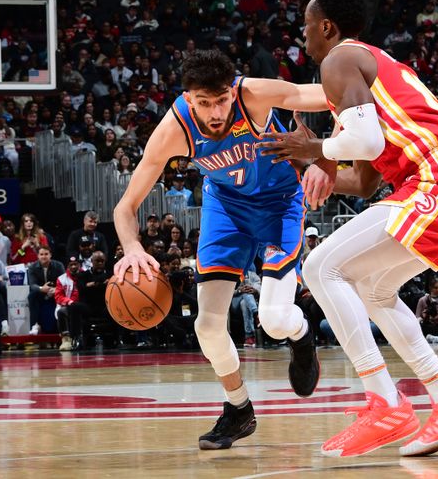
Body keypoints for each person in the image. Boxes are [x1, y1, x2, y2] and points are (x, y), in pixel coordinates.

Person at [256, 0, 438, 458]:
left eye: (306, 24)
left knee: (322, 267)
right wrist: (316, 166)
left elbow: (362, 144)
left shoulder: (339, 59)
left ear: (326, 26)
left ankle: (385, 401)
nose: (302, 34)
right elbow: (365, 180)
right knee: (374, 290)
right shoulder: (364, 77)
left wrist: (315, 148)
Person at [112, 49, 328, 451]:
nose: (213, 112)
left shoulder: (255, 95)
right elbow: (124, 207)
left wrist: (325, 156)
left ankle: (301, 337)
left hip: (280, 203)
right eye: (203, 103)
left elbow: (326, 93)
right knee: (206, 325)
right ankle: (238, 409)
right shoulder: (174, 129)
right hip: (225, 207)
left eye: (220, 101)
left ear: (232, 91)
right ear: (189, 98)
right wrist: (130, 247)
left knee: (275, 319)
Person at [27, 246, 64, 335]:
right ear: (38, 256)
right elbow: (32, 285)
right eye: (41, 254)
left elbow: (64, 282)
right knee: (32, 295)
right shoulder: (32, 267)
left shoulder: (59, 265)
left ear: (50, 255)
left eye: (46, 254)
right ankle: (34, 324)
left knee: (63, 295)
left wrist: (55, 289)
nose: (44, 256)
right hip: (40, 293)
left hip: (55, 292)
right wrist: (42, 288)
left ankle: (62, 328)